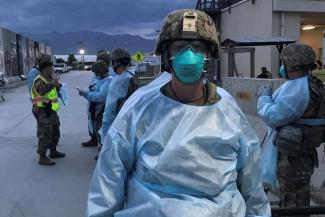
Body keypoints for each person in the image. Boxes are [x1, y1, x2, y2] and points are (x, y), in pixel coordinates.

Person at [87, 9, 271, 217]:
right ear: (167, 56)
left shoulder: (228, 108)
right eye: (181, 47)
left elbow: (252, 184)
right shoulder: (140, 107)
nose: (189, 55)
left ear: (209, 55)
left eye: (198, 47)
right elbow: (108, 180)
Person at [258, 43, 325, 210]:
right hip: (304, 152)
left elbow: (273, 117)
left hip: (292, 157)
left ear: (291, 64)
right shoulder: (314, 84)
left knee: (292, 200)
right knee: (299, 196)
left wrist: (264, 97)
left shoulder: (298, 89)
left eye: (284, 63)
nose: (282, 67)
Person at [98, 48, 137, 144]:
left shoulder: (118, 81)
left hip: (119, 129)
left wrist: (104, 136)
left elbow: (109, 112)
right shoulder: (134, 77)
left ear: (115, 63)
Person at [31, 58, 65, 166]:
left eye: (52, 68)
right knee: (44, 133)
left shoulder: (49, 78)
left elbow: (54, 90)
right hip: (42, 110)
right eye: (50, 68)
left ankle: (53, 151)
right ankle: (42, 157)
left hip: (51, 109)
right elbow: (41, 92)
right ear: (44, 69)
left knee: (55, 131)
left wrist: (58, 86)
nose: (52, 70)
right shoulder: (39, 80)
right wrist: (52, 84)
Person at [77, 60, 112, 149]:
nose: (95, 75)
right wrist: (86, 94)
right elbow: (93, 90)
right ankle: (95, 141)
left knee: (100, 129)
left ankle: (103, 151)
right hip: (94, 108)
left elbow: (101, 96)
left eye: (96, 73)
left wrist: (86, 94)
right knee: (93, 126)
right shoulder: (97, 79)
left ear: (102, 72)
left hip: (101, 109)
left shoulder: (108, 81)